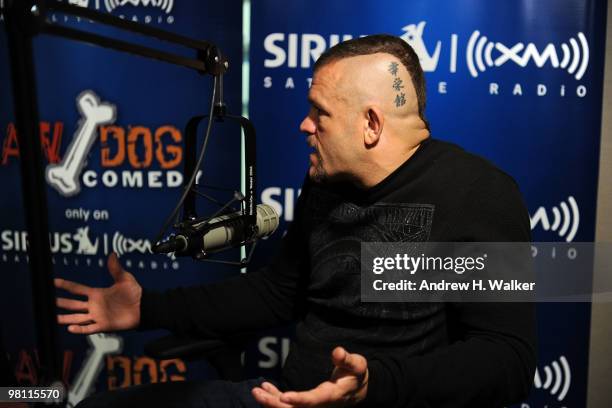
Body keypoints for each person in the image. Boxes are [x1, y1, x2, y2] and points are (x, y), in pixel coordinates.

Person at [55, 34, 536, 407]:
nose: (304, 125)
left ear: (370, 124)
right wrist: (149, 309)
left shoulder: (478, 194)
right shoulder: (325, 182)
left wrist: (373, 386)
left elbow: (506, 359)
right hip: (282, 397)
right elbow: (280, 291)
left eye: (319, 113)